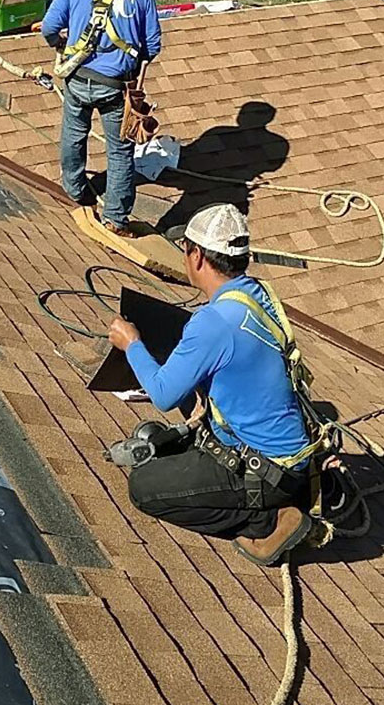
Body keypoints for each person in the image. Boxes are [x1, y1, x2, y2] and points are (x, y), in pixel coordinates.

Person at [107, 203, 314, 565]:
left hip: (265, 472)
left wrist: (132, 345)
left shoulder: (214, 323)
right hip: (286, 459)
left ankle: (269, 520)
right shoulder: (255, 295)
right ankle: (279, 499)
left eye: (184, 249)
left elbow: (162, 394)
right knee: (169, 448)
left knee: (144, 489)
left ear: (197, 255)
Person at [41, 0, 162, 237]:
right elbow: (152, 46)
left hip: (78, 78)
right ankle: (116, 219)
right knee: (120, 152)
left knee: (73, 135)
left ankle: (77, 191)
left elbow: (50, 27)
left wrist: (61, 42)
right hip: (116, 85)